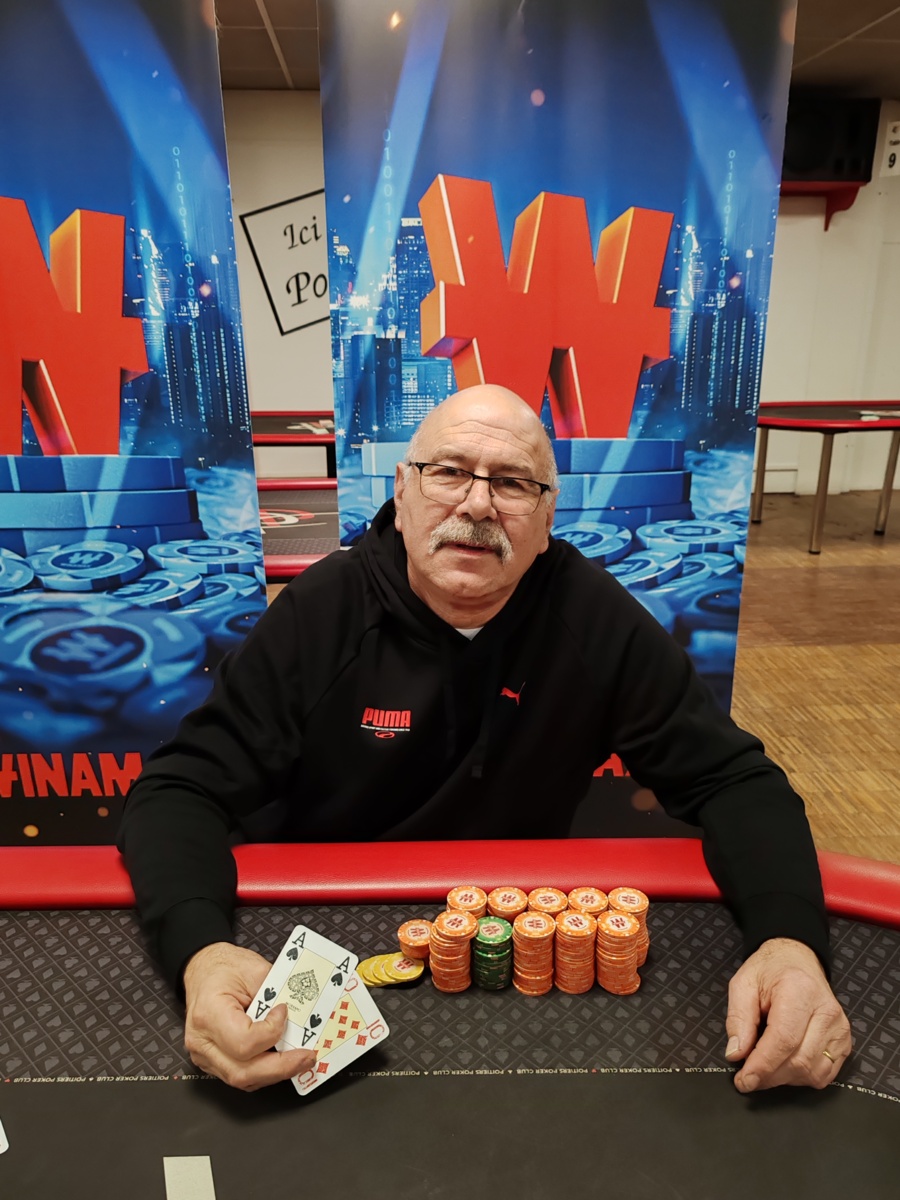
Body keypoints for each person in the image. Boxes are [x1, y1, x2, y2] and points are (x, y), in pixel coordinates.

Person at [118, 384, 852, 1095]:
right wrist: (201, 952)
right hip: (325, 917)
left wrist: (789, 945)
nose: (476, 504)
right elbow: (177, 791)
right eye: (448, 472)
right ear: (402, 492)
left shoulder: (593, 616)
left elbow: (735, 781)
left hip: (511, 935)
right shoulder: (321, 612)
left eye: (512, 483)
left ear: (547, 515)